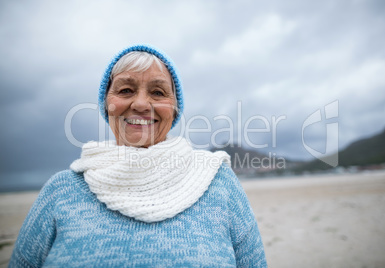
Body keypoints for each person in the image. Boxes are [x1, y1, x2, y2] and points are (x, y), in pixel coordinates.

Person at [9, 44, 267, 267]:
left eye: (157, 92)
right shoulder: (61, 191)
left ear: (174, 109)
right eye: (125, 90)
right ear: (106, 104)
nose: (141, 104)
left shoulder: (218, 183)